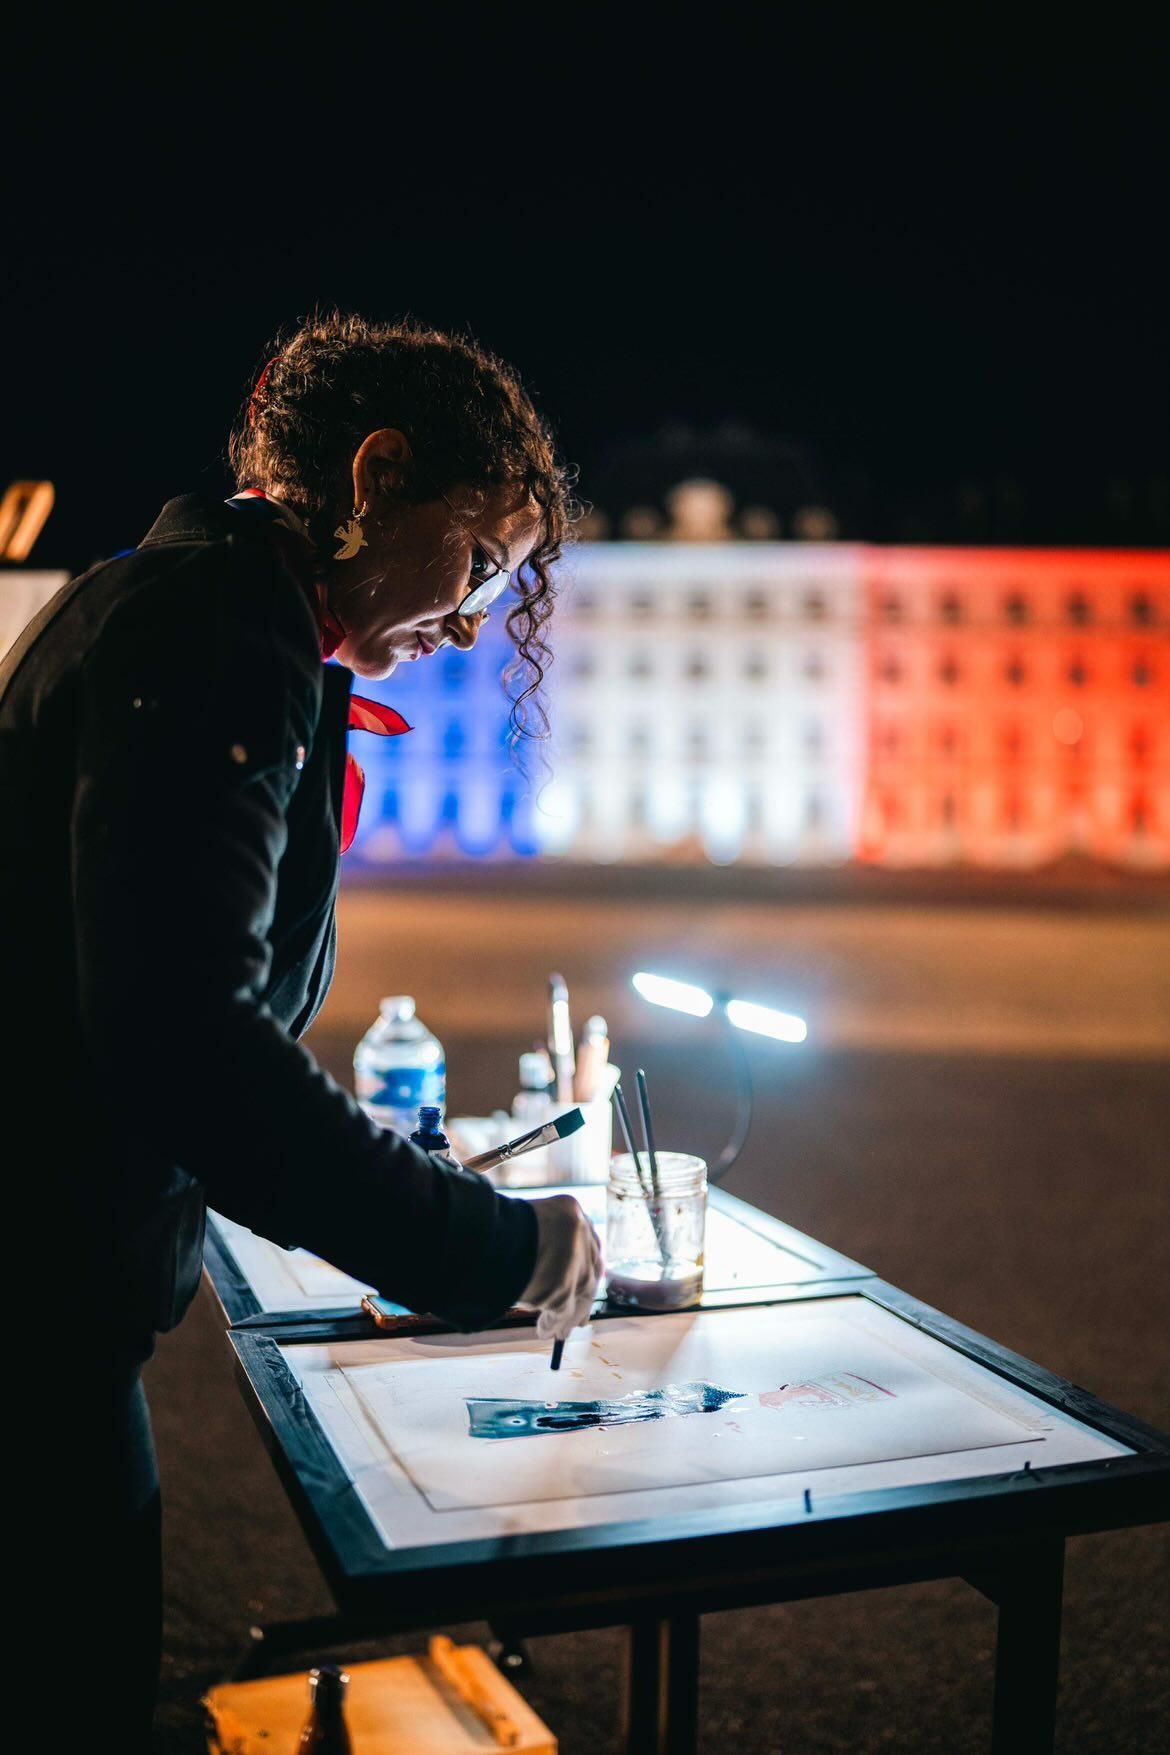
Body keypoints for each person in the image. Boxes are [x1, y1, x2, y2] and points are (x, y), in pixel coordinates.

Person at [0, 313, 602, 1745]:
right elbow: (183, 1038)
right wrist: (491, 1246)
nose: (467, 625)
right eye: (473, 566)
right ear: (376, 476)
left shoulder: (196, 602)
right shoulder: (212, 629)